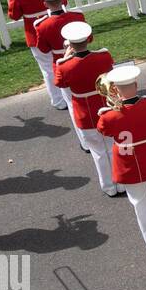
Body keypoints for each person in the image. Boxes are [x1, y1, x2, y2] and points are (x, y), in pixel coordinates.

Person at [95, 65, 146, 263]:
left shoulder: (108, 116)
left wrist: (112, 108)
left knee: (142, 208)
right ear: (136, 85)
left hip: (129, 165)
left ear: (115, 89)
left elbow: (103, 131)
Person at [53, 21, 122, 197]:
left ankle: (108, 186)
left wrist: (66, 56)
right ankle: (120, 183)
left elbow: (59, 83)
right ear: (88, 39)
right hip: (105, 106)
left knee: (98, 152)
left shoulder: (64, 65)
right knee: (111, 147)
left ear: (69, 43)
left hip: (84, 113)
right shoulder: (103, 56)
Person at [6, 0, 68, 109]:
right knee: (65, 61)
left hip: (35, 32)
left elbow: (14, 15)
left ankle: (59, 100)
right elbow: (64, 1)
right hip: (57, 27)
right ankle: (69, 95)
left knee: (47, 68)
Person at [32, 0, 86, 132]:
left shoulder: (41, 25)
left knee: (72, 103)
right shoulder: (77, 16)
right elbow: (90, 38)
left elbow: (43, 49)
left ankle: (85, 142)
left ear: (45, 3)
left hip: (62, 64)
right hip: (84, 60)